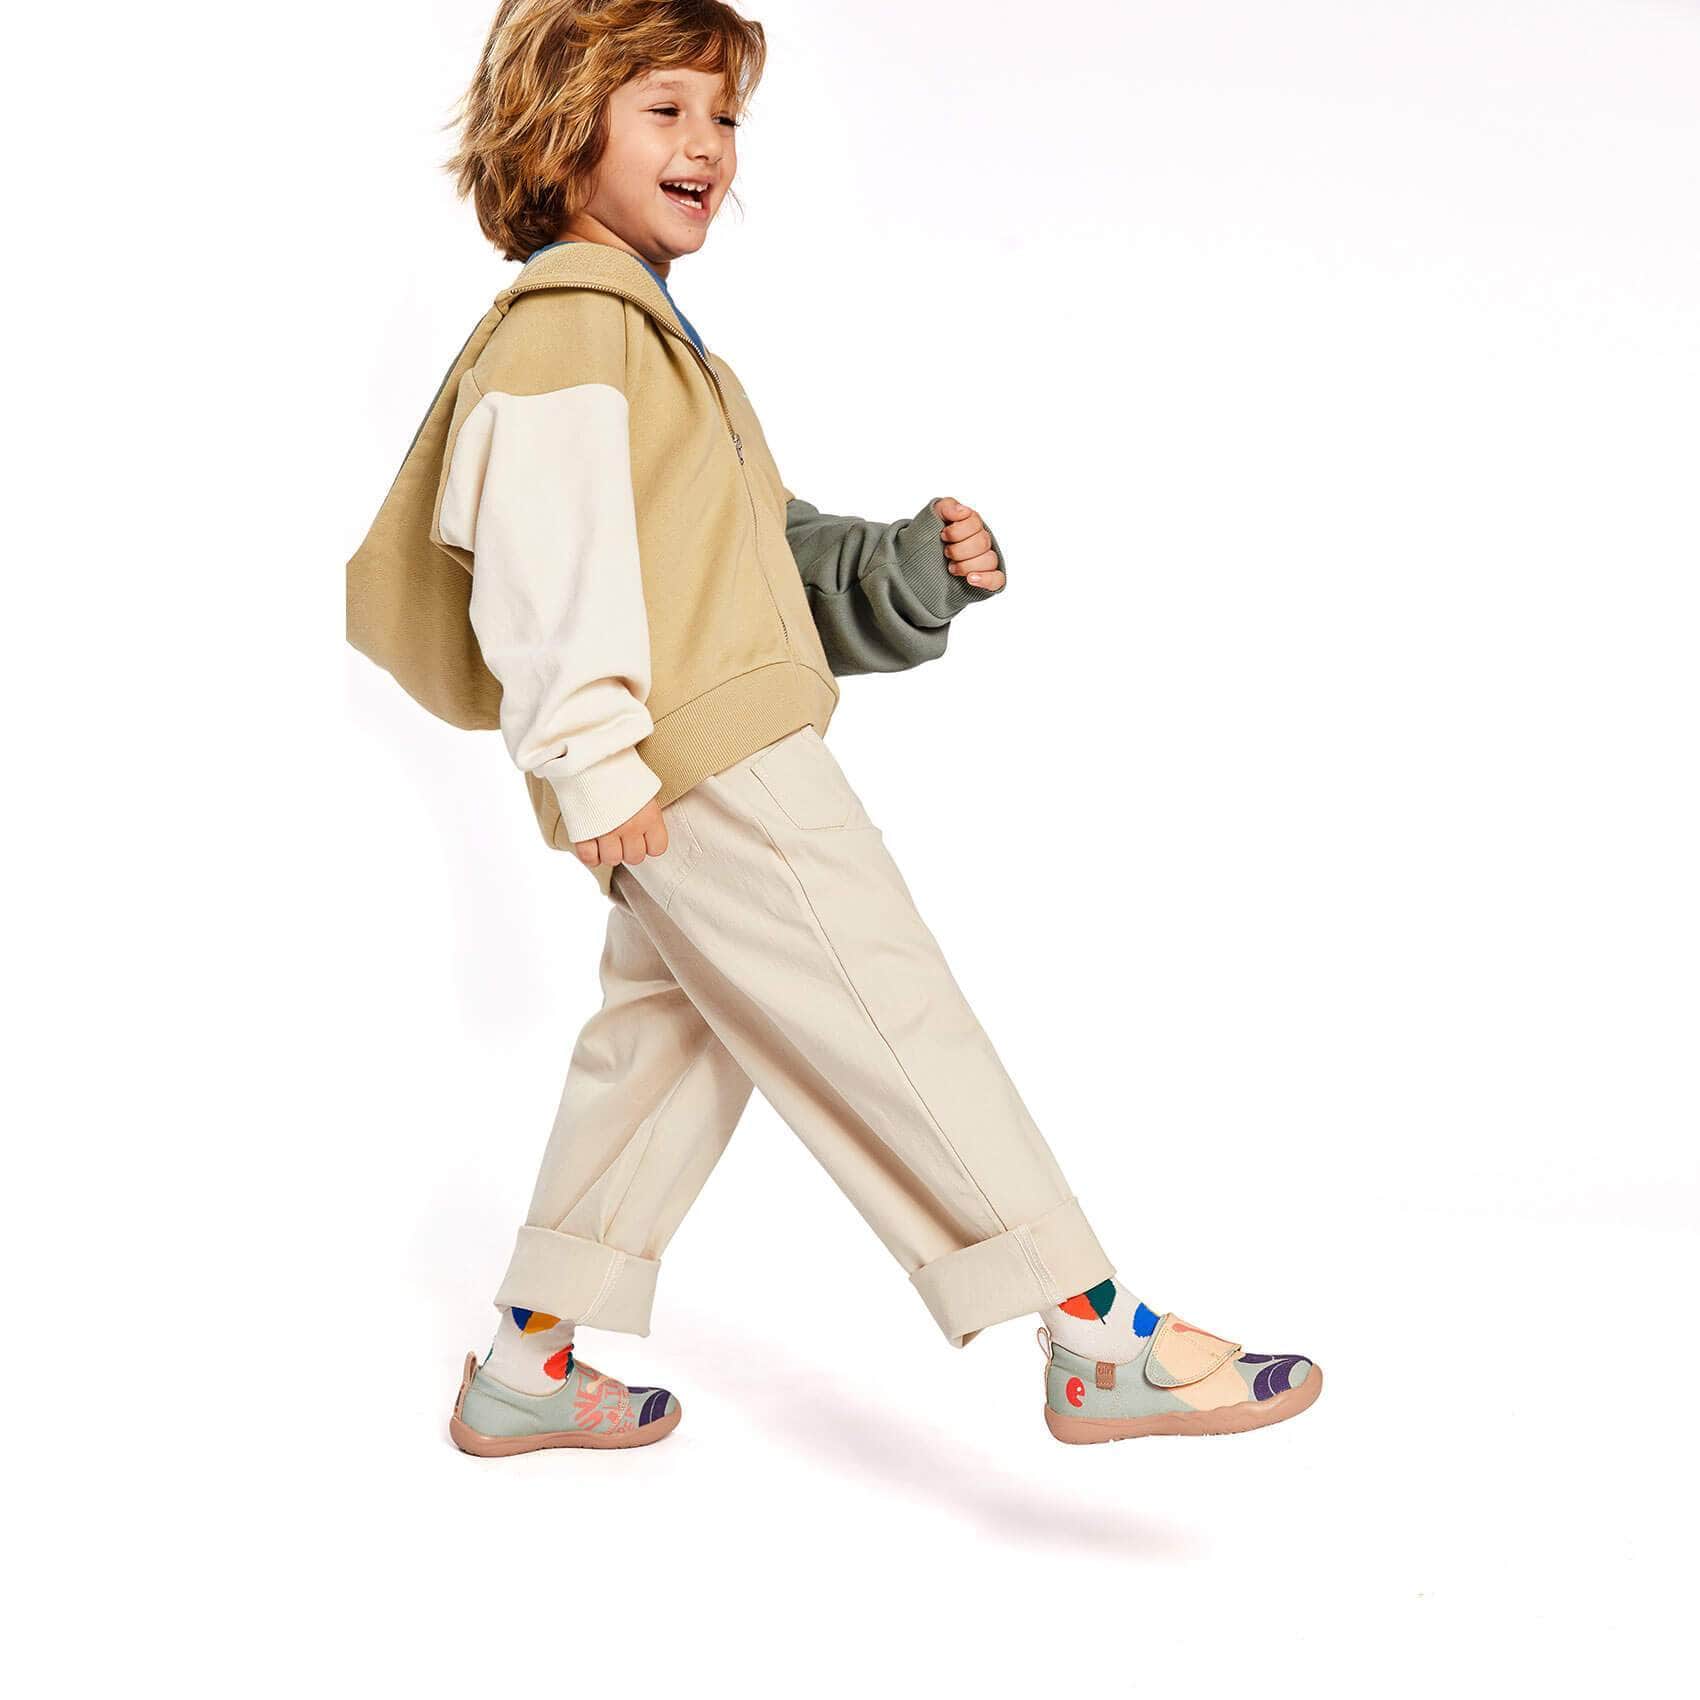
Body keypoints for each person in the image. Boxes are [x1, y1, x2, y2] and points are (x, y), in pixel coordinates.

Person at [357, 0, 1322, 1455]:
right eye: (664, 109)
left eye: (723, 116)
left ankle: (528, 1365)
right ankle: (1094, 1332)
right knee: (891, 1008)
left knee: (665, 1056)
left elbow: (746, 553)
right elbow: (543, 574)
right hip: (709, 767)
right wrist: (593, 767)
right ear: (560, 131)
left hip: (681, 760)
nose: (707, 144)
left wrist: (907, 572)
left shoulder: (649, 341)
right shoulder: (570, 332)